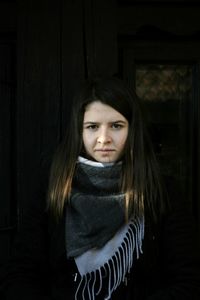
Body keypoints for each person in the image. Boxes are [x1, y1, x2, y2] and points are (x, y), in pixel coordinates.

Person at [1, 77, 200, 300]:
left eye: (116, 126)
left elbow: (188, 281)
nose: (103, 138)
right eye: (92, 127)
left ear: (132, 130)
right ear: (80, 131)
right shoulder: (55, 189)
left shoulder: (161, 191)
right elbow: (21, 276)